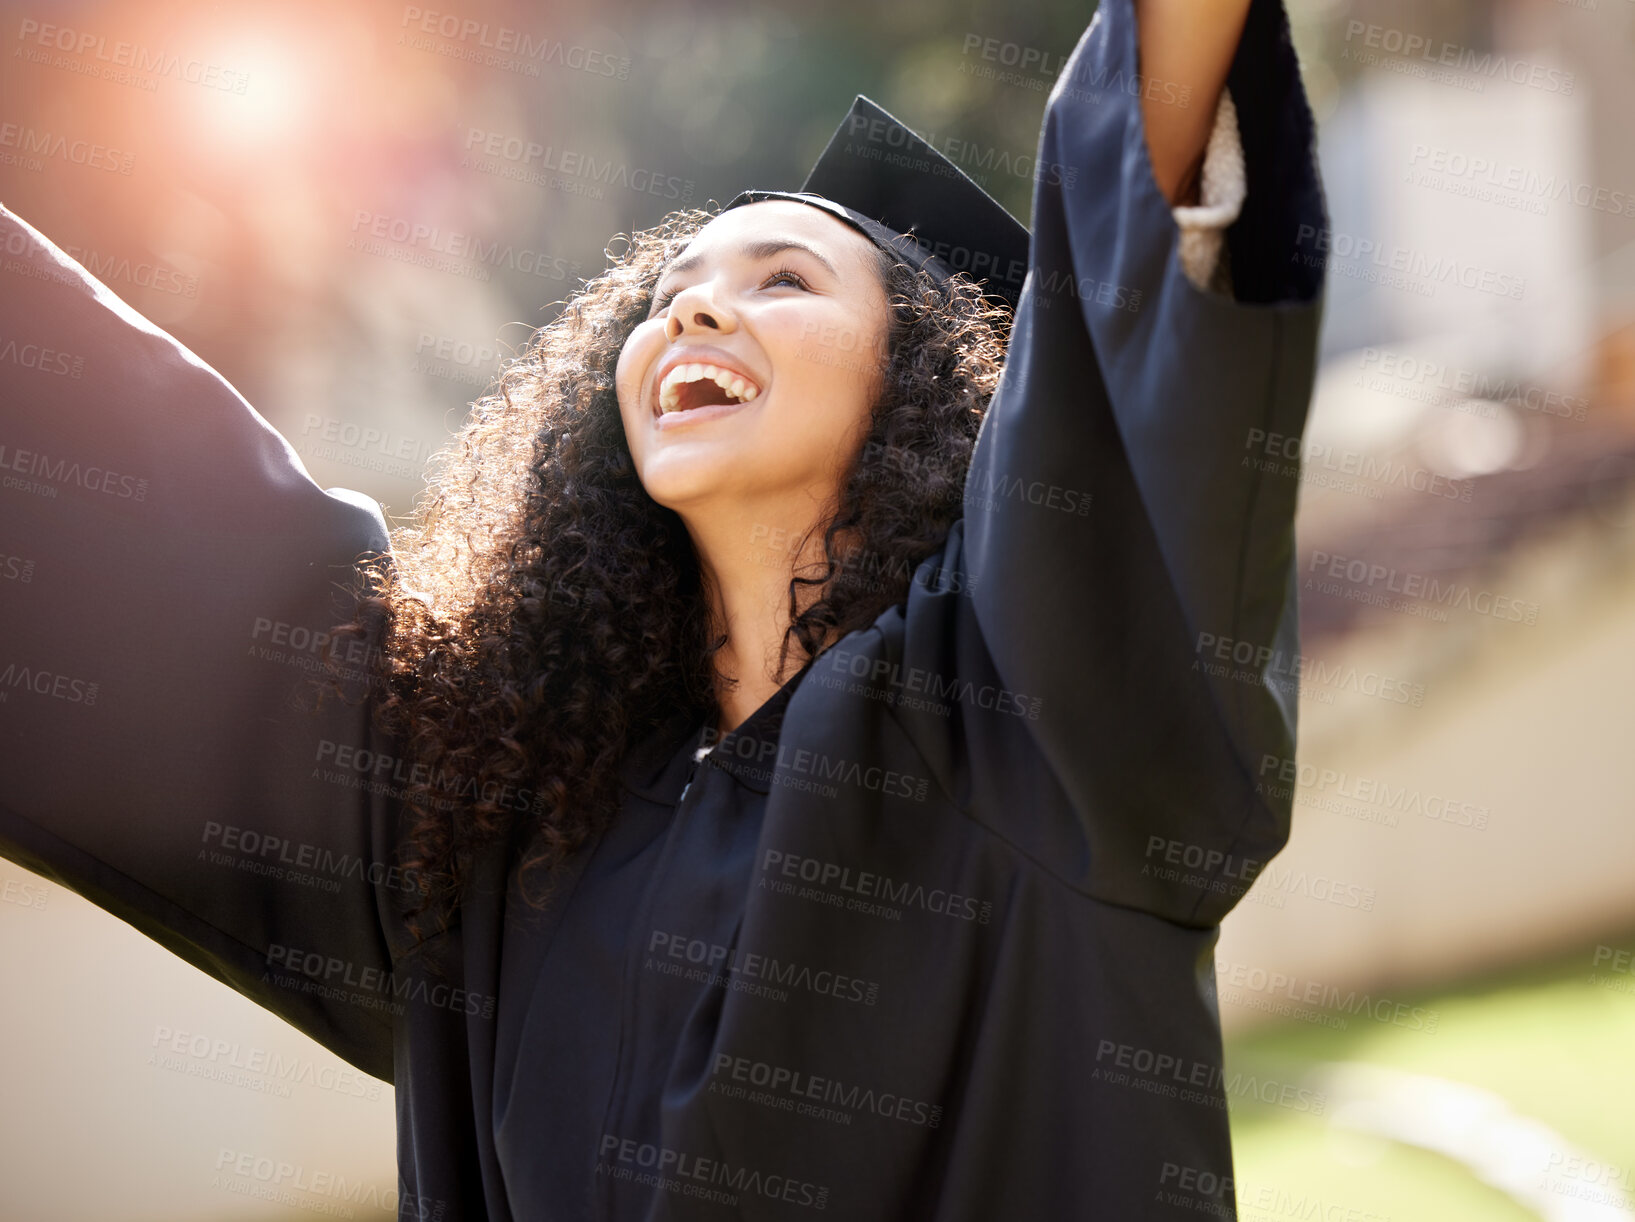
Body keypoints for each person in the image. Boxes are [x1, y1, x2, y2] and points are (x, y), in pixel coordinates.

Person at [0, 0, 1327, 1216]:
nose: (694, 302)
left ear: (927, 384)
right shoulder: (497, 818)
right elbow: (153, 538)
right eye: (662, 294)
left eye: (786, 280)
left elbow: (1121, 318)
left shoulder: (1028, 727)